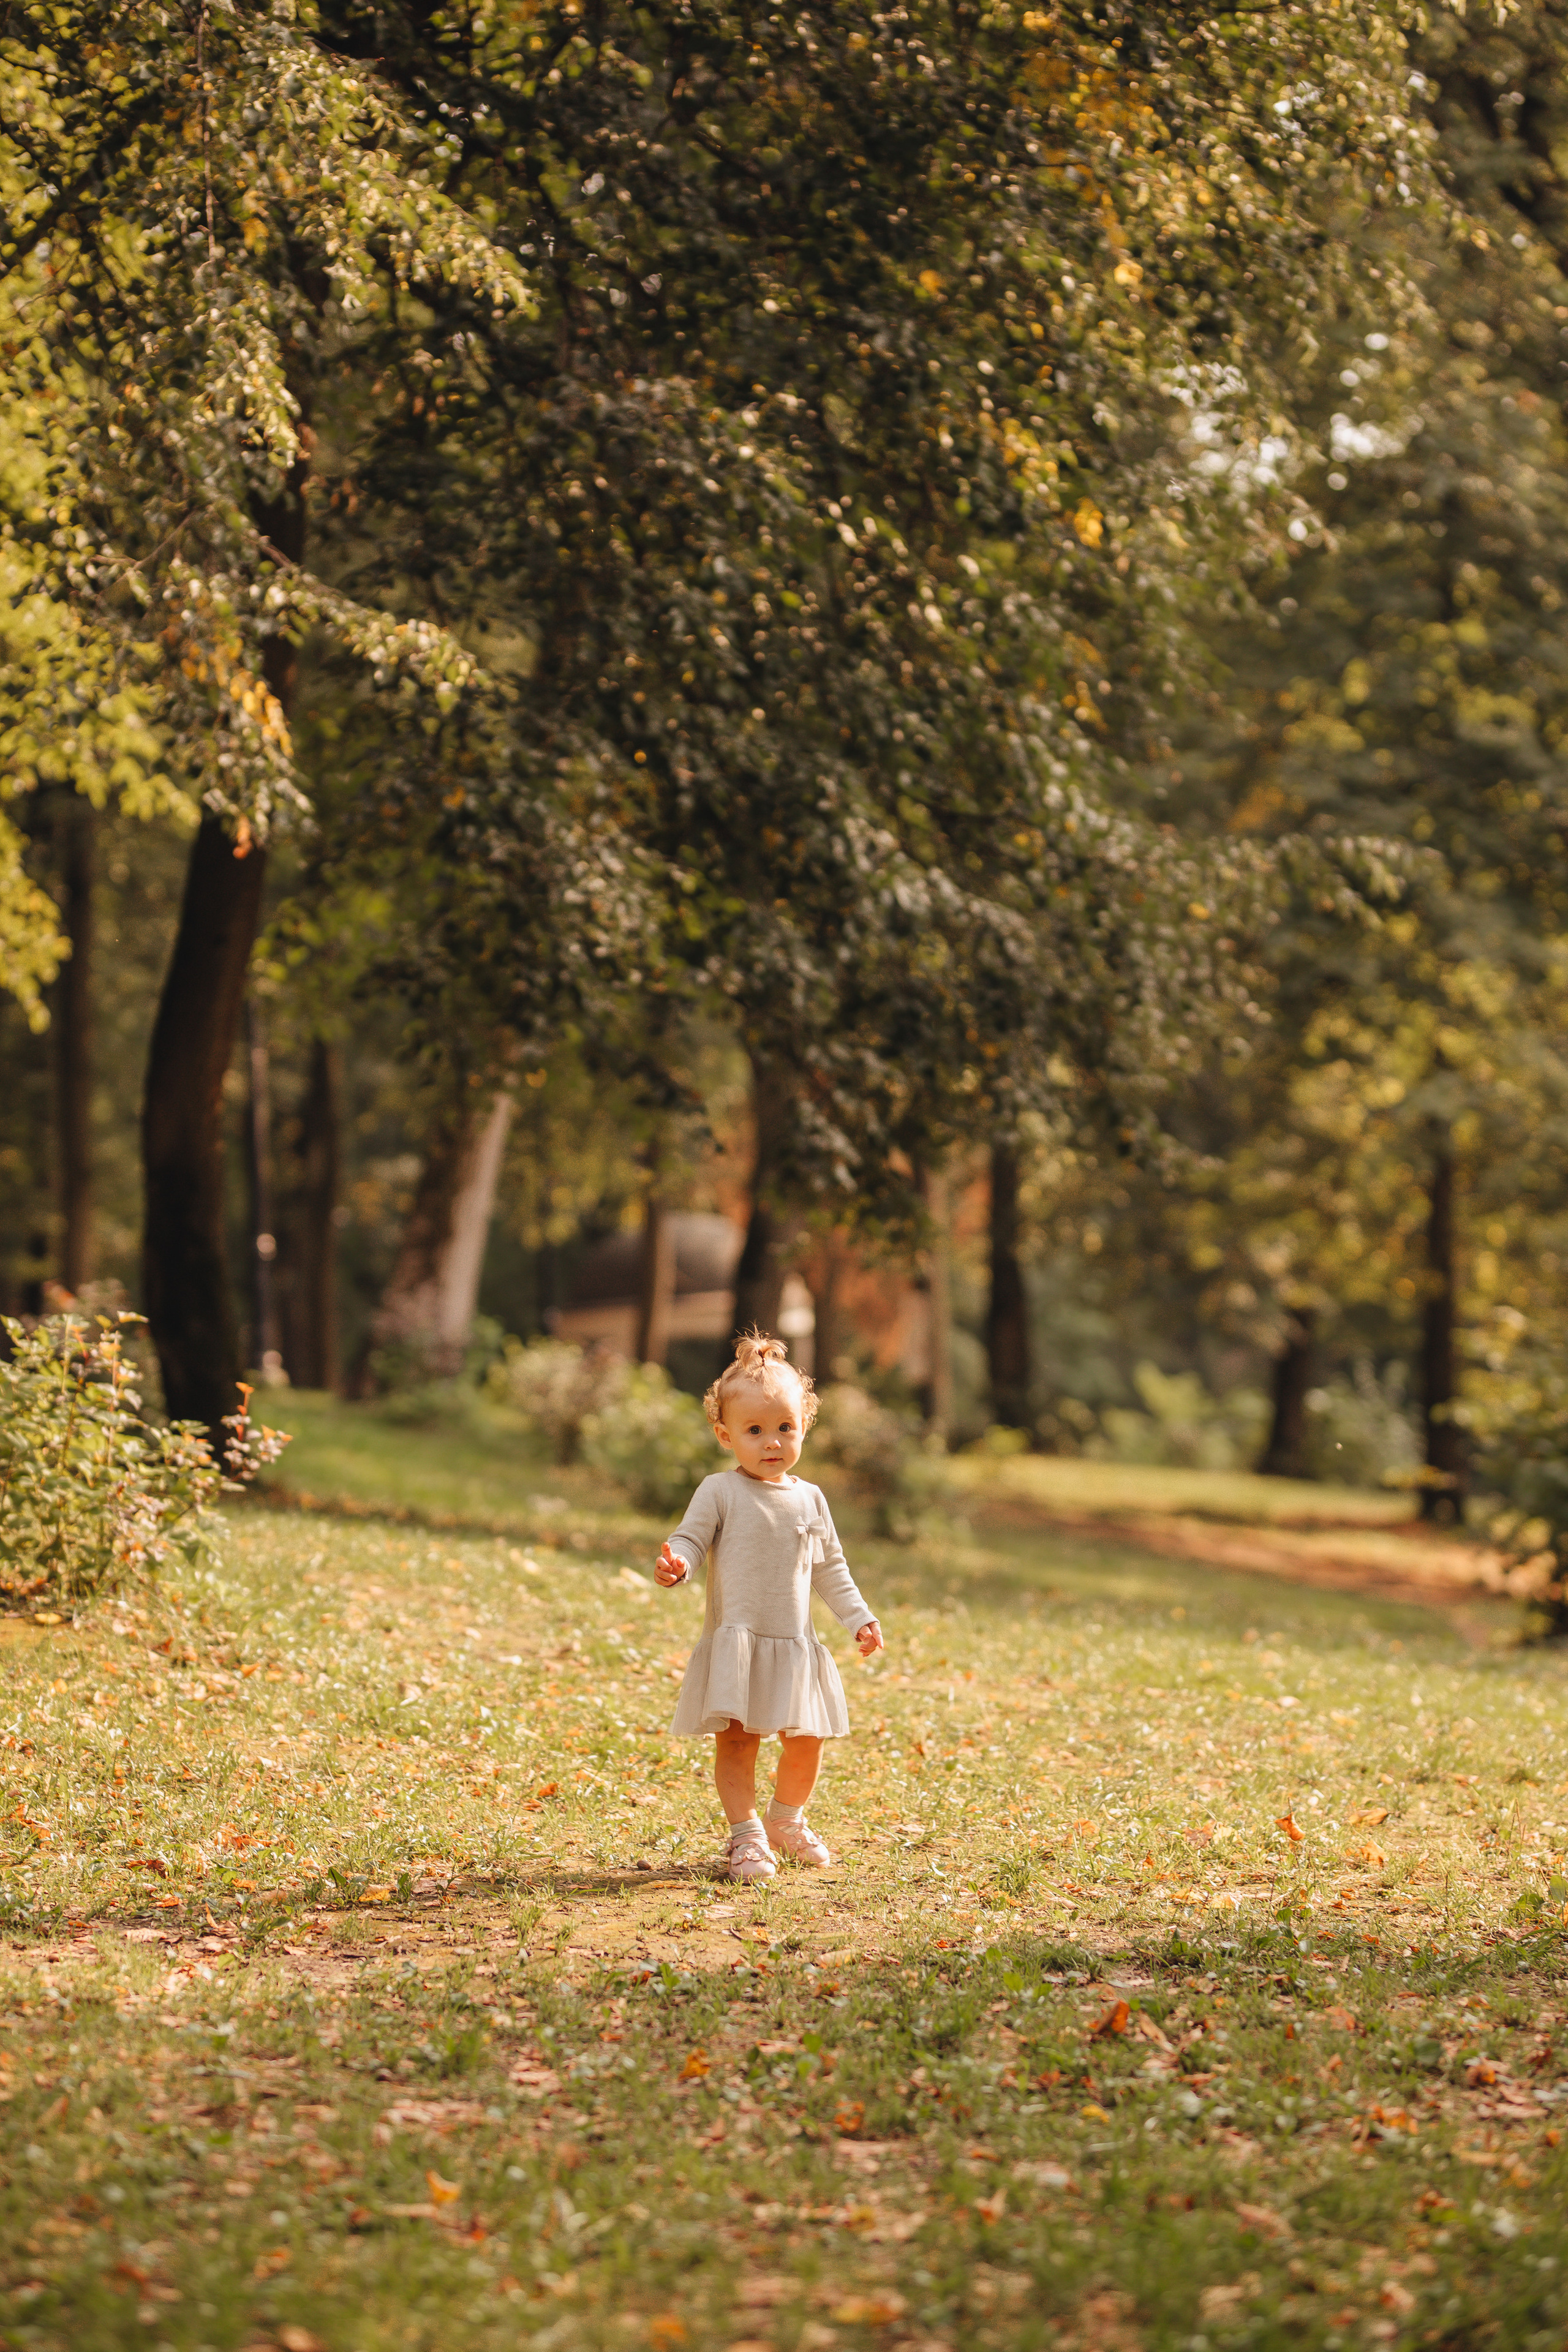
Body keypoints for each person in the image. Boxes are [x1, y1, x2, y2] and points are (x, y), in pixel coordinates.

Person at [655, 1331, 883, 1882]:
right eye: (754, 1431)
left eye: (785, 1427)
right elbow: (689, 1538)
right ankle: (748, 1836)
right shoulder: (720, 1491)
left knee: (808, 1740)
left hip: (794, 1645)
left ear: (805, 1425)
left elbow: (831, 1567)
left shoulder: (811, 1498)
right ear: (725, 1434)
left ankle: (787, 1819)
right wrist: (679, 1563)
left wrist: (859, 1617)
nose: (772, 1442)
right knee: (738, 1743)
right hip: (739, 1639)